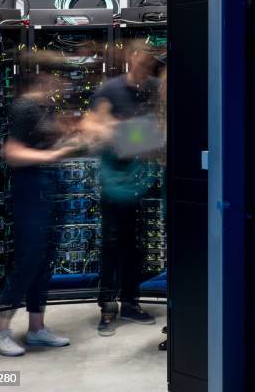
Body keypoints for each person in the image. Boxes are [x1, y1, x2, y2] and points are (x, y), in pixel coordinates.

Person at [0, 73, 80, 357]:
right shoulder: (24, 107)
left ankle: (36, 328)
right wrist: (53, 156)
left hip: (47, 189)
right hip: (31, 192)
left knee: (44, 261)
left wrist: (69, 138)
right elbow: (13, 153)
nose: (62, 85)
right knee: (28, 261)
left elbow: (42, 143)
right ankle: (1, 332)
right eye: (58, 80)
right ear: (41, 80)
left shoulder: (43, 108)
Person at [89, 39, 166, 336]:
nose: (147, 65)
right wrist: (134, 136)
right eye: (143, 59)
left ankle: (131, 302)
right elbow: (94, 127)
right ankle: (108, 308)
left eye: (151, 61)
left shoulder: (152, 87)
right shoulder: (111, 89)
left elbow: (160, 127)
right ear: (132, 57)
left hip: (143, 179)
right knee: (111, 242)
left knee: (135, 244)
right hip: (115, 179)